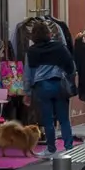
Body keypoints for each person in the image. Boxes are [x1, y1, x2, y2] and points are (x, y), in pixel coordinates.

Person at [23, 19, 77, 151]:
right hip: (59, 85)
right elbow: (71, 66)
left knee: (48, 120)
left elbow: (28, 74)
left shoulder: (31, 51)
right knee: (64, 118)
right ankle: (69, 146)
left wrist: (27, 93)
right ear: (49, 33)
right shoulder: (59, 47)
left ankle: (51, 148)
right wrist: (69, 78)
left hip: (42, 87)